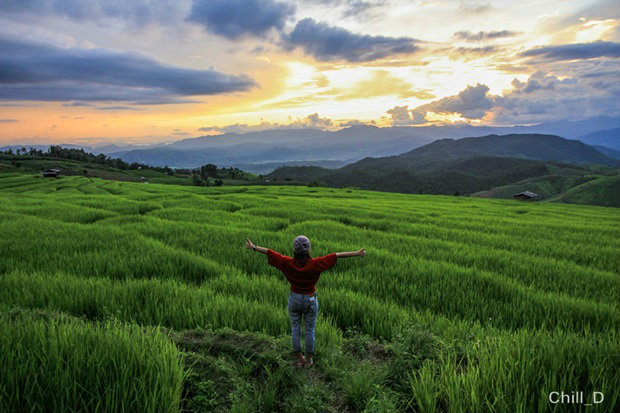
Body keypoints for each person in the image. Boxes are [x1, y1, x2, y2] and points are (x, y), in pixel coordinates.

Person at [245, 235, 365, 368]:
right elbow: (337, 255)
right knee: (310, 330)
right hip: (310, 299)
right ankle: (308, 360)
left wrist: (254, 247)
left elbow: (269, 252)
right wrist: (357, 253)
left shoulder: (286, 262)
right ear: (308, 250)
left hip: (295, 298)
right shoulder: (316, 264)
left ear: (294, 250)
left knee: (295, 329)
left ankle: (299, 359)